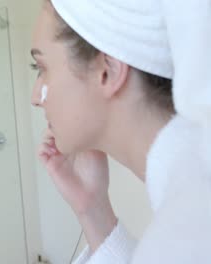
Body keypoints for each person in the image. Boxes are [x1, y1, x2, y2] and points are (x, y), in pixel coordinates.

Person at [31, 0, 211, 263]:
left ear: (108, 71)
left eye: (41, 68)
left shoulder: (188, 235)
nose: (36, 97)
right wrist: (92, 208)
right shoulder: (189, 210)